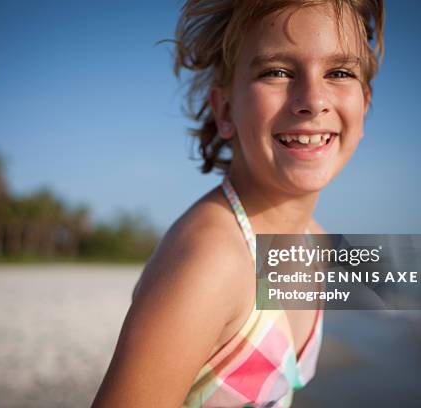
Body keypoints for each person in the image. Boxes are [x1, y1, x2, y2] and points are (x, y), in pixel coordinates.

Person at [92, 0, 384, 406]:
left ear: (364, 106)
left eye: (339, 72)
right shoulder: (212, 260)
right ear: (225, 109)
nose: (313, 100)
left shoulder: (314, 241)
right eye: (277, 72)